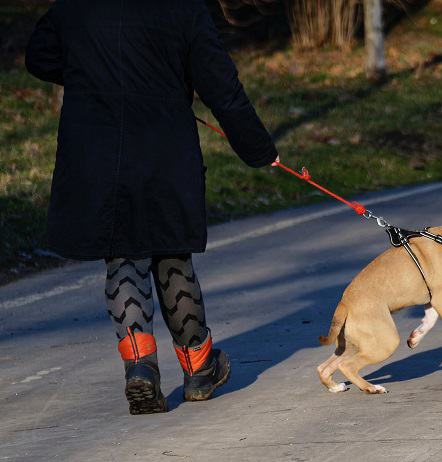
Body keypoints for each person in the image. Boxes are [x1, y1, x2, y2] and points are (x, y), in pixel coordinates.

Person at [25, 0, 278, 413]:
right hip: (164, 147)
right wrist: (258, 149)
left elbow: (40, 57)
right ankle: (199, 367)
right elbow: (221, 86)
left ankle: (140, 367)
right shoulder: (184, 8)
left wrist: (94, 72)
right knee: (171, 251)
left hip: (95, 148)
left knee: (121, 253)